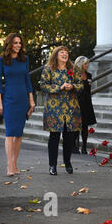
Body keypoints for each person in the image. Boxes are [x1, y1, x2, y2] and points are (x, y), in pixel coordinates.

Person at [0, 33, 35, 177]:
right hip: (9, 100)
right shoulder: (1, 60)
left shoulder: (24, 59)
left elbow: (27, 80)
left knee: (18, 134)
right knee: (10, 133)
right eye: (15, 42)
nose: (18, 45)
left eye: (20, 43)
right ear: (9, 44)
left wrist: (31, 100)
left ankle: (15, 164)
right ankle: (9, 165)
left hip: (23, 99)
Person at [40, 46, 83, 175]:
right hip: (54, 108)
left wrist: (73, 86)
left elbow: (81, 85)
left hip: (71, 108)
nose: (65, 55)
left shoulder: (73, 69)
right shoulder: (48, 69)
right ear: (56, 55)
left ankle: (67, 162)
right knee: (54, 137)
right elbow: (43, 85)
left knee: (69, 137)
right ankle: (52, 165)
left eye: (66, 53)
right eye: (61, 53)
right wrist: (59, 87)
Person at [72, 56, 97, 155]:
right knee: (77, 125)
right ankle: (74, 146)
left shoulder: (89, 75)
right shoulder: (74, 75)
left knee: (85, 126)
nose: (87, 66)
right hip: (77, 103)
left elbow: (88, 90)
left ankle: (84, 147)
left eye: (87, 64)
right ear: (80, 64)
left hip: (87, 102)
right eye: (85, 64)